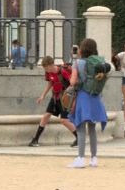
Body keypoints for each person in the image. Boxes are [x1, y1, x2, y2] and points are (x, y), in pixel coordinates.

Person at [66, 38, 111, 170]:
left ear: (82, 49)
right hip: (95, 97)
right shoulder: (99, 62)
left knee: (80, 129)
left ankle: (80, 158)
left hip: (83, 97)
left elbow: (73, 82)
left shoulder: (78, 63)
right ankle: (94, 158)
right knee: (92, 129)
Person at [29, 49, 77, 147]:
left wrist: (73, 101)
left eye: (46, 68)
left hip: (65, 98)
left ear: (51, 65)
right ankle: (35, 139)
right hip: (55, 97)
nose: (45, 70)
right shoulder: (48, 72)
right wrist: (42, 96)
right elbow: (50, 83)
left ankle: (79, 138)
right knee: (46, 115)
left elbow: (73, 84)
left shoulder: (63, 72)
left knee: (63, 120)